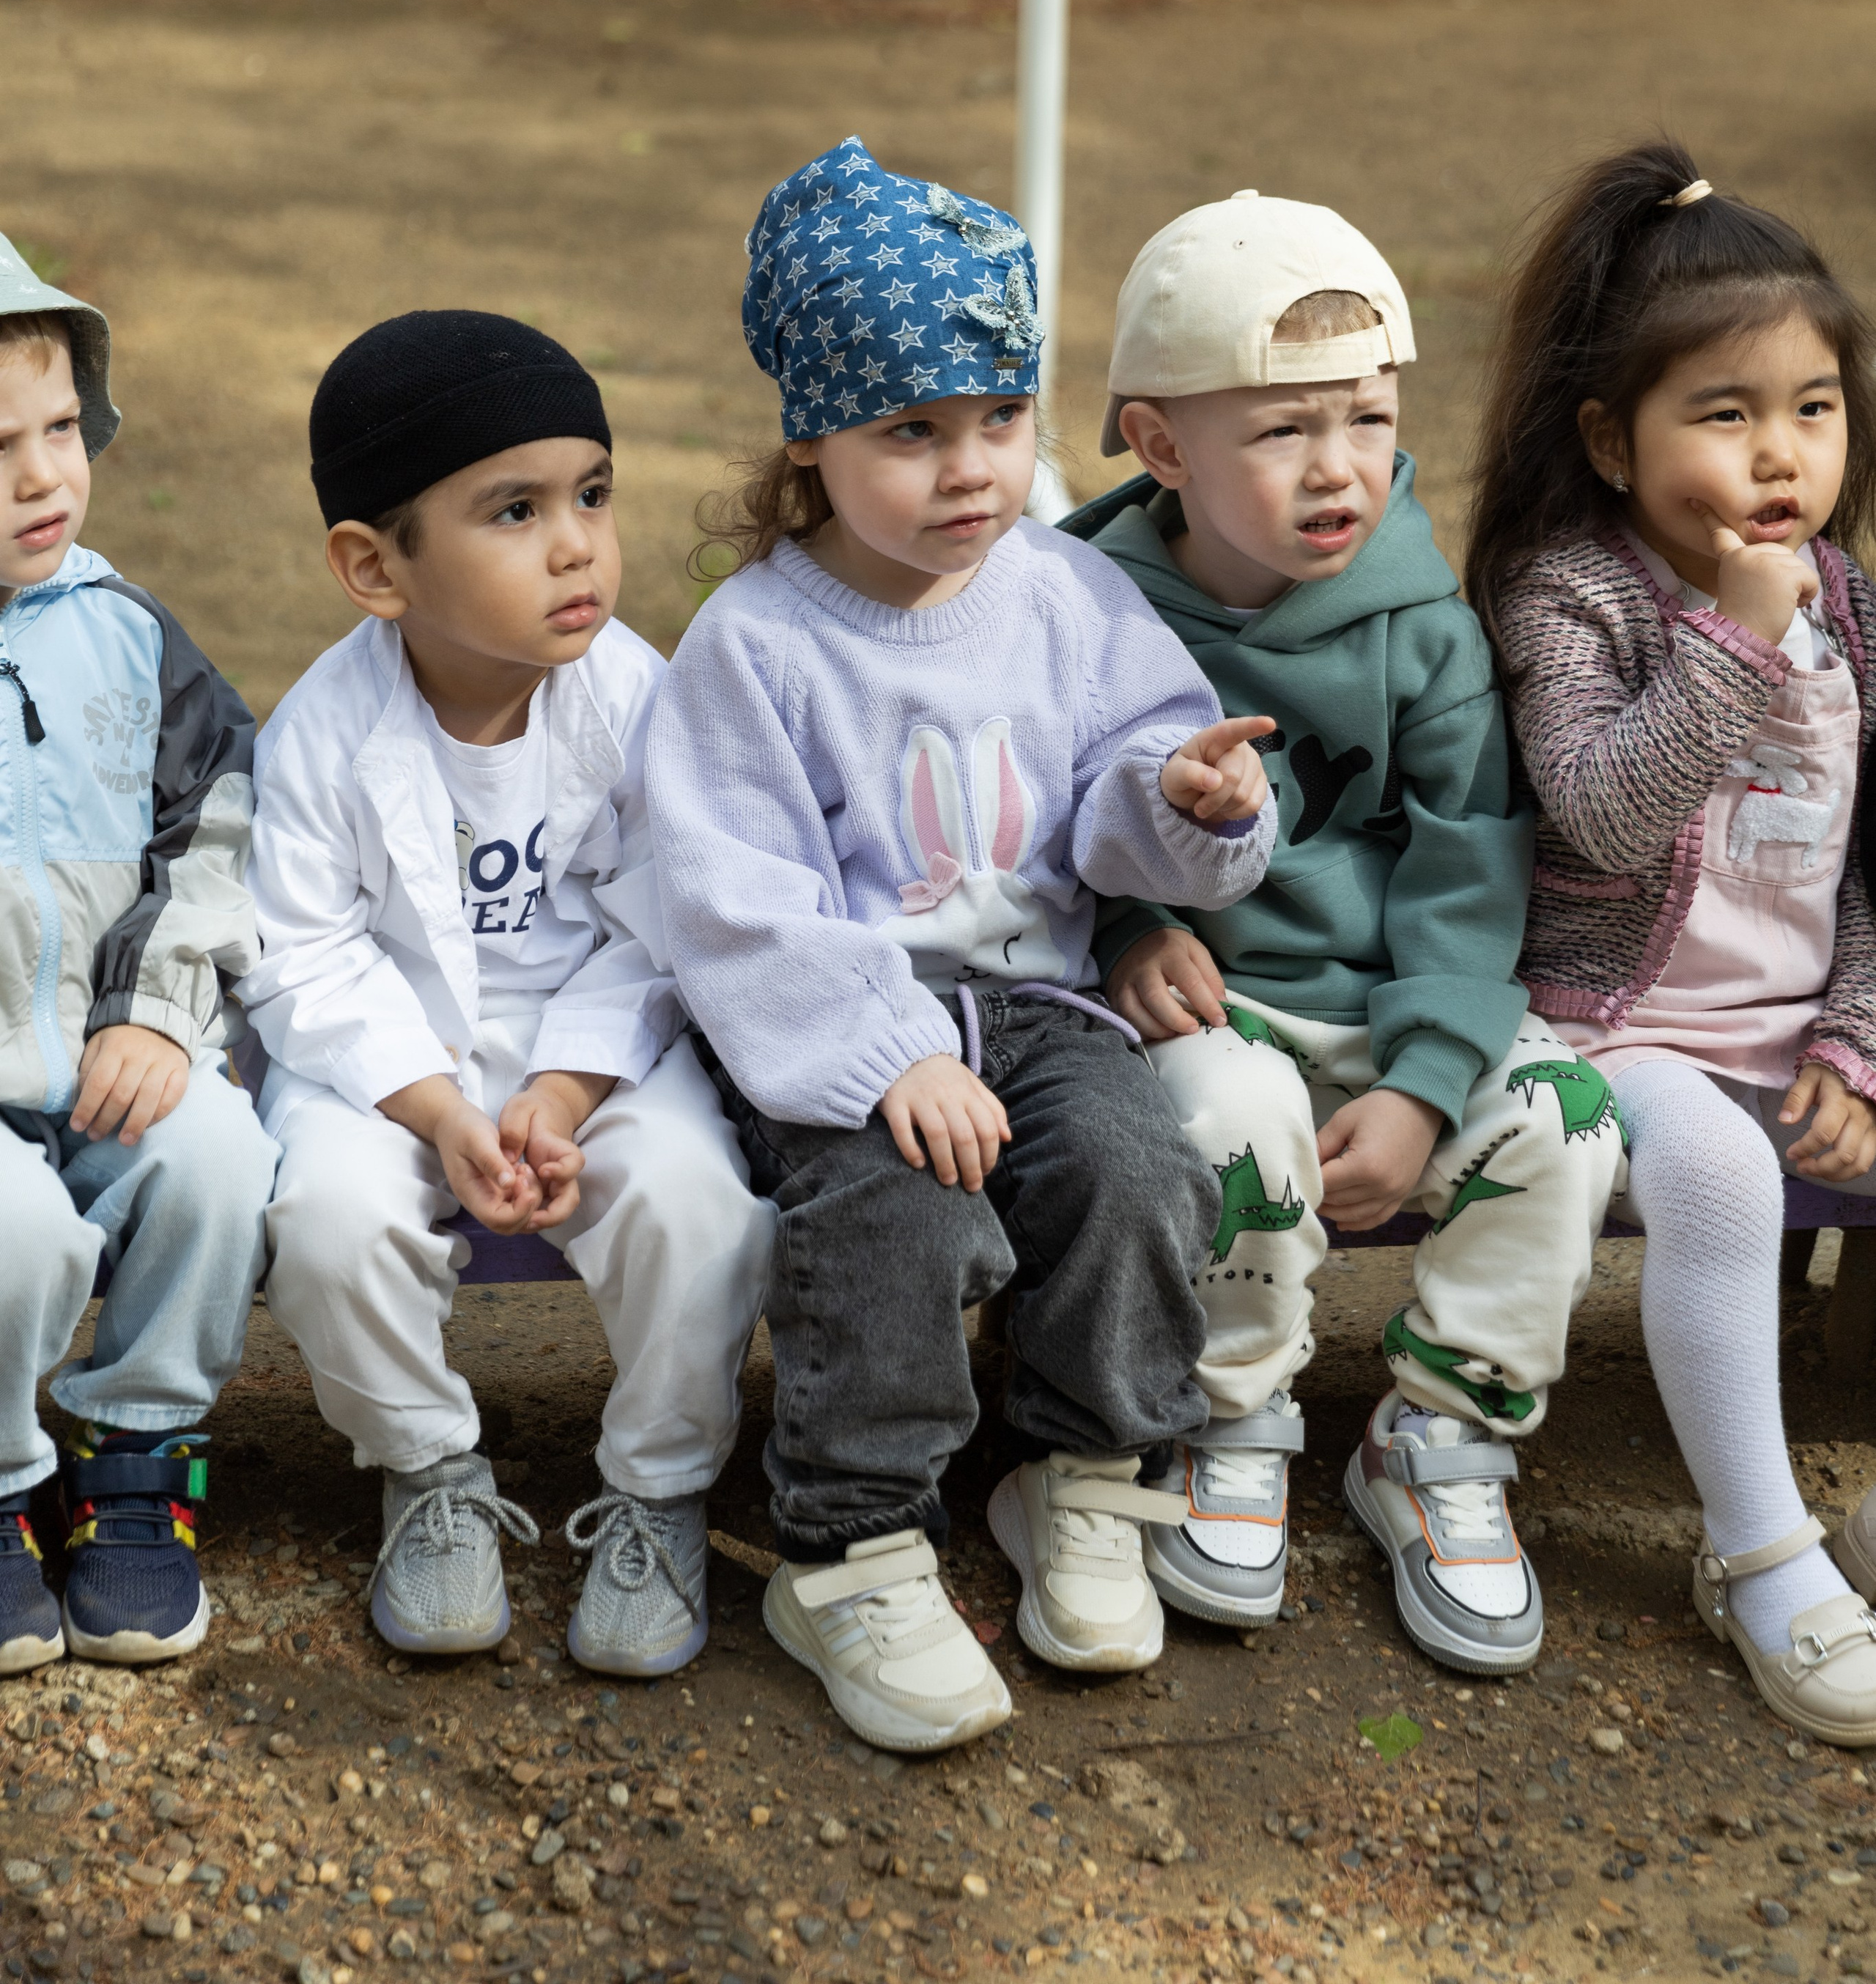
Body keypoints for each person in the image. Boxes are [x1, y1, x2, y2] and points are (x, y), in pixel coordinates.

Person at [646, 138, 1277, 1754]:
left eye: (998, 420)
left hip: (1042, 1001)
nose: (968, 469)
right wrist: (886, 1053)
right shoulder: (760, 640)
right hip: (847, 1023)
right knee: (897, 1213)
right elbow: (732, 894)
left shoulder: (1062, 596)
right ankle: (848, 1545)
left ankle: (1082, 1472)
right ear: (814, 437)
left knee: (1135, 1166)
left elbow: (1119, 792)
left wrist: (1185, 801)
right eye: (909, 433)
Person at [1068, 192, 1625, 1680]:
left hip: (1389, 1010)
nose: (1339, 470)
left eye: (1366, 419)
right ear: (1158, 445)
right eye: (1280, 431)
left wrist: (1428, 1073)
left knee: (1566, 1117)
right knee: (1232, 1131)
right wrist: (1124, 927)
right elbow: (1046, 811)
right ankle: (1227, 1408)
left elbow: (1467, 859)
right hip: (1214, 1013)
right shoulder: (1082, 611)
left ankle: (1439, 1429)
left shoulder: (1421, 621)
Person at [244, 311, 774, 1675]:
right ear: (375, 567)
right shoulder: (325, 735)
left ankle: (658, 1488)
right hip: (385, 1064)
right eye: (515, 510)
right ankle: (428, 1469)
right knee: (328, 1218)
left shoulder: (632, 698)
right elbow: (303, 957)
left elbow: (663, 922)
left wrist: (561, 1087)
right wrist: (436, 1111)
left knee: (699, 1207)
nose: (577, 543)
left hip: (593, 1055)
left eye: (592, 494)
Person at [1469, 140, 1876, 1747]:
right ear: (1607, 439)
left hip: (1793, 1033)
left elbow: (1863, 871)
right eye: (1721, 414)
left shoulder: (1848, 601)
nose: (1776, 455)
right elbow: (1599, 819)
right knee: (1712, 1178)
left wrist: (1850, 1037)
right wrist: (1736, 629)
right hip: (1612, 1033)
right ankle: (1758, 1551)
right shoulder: (1565, 592)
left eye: (1811, 408)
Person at [0, 235, 272, 1675]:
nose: (47, 476)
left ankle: (138, 1467)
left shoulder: (123, 635)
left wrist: (160, 1014)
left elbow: (218, 827)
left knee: (217, 1163)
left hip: (103, 1050)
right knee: (18, 1235)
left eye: (60, 429)